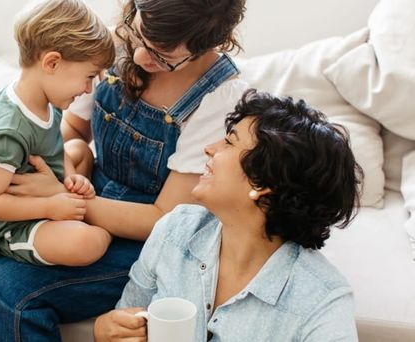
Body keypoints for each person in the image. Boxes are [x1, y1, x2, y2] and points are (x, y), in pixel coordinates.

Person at [0, 0, 248, 340]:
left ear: (208, 46)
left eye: (163, 56)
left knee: (2, 287)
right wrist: (60, 171)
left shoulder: (220, 96)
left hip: (148, 237)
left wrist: (60, 198)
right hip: (79, 193)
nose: (138, 58)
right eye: (138, 36)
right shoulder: (108, 48)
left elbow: (163, 218)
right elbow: (72, 131)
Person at [94, 89, 363, 341]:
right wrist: (105, 330)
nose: (209, 148)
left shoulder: (323, 301)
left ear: (260, 183)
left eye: (229, 142)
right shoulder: (176, 229)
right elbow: (129, 314)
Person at [0, 0, 114, 267]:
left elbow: (56, 148)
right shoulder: (8, 132)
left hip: (43, 193)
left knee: (79, 150)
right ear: (52, 63)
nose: (89, 89)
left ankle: (75, 209)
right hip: (11, 224)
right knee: (88, 243)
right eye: (89, 76)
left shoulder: (47, 99)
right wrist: (49, 207)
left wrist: (70, 178)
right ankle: (94, 226)